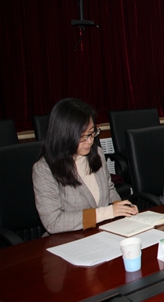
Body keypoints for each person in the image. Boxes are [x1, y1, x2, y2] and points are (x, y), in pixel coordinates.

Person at [32, 98, 138, 234]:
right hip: (68, 238)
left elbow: (109, 189)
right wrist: (107, 212)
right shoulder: (44, 169)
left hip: (101, 232)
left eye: (92, 133)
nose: (90, 141)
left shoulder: (97, 153)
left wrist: (121, 206)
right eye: (83, 136)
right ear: (64, 135)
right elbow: (53, 222)